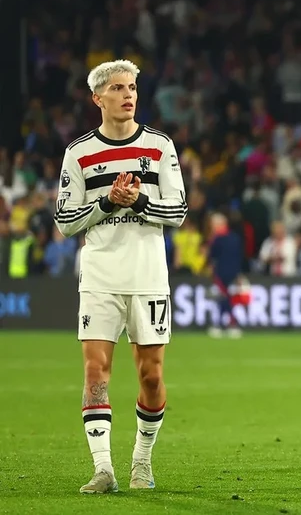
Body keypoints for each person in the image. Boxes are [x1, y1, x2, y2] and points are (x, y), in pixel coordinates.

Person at [53, 60, 188, 493]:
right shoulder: (78, 153)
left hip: (148, 275)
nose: (128, 95)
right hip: (99, 275)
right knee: (96, 372)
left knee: (150, 375)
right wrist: (108, 203)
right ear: (98, 98)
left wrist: (139, 202)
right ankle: (103, 469)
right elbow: (64, 219)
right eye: (118, 88)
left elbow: (179, 211)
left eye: (132, 87)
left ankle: (142, 461)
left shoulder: (160, 146)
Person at [206, 212, 245, 339]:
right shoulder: (235, 238)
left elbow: (212, 257)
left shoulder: (217, 239)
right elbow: (239, 257)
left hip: (221, 273)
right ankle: (228, 325)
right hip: (233, 273)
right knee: (228, 299)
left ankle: (227, 325)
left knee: (224, 299)